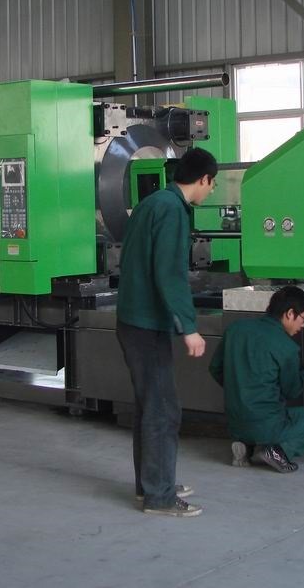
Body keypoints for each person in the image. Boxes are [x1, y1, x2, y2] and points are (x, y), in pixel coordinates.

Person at [115, 147, 218, 517]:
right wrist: (188, 327)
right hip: (147, 324)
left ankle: (150, 485)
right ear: (203, 179)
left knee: (150, 407)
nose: (211, 191)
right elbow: (169, 273)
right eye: (212, 184)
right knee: (162, 410)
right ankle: (159, 496)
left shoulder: (153, 202)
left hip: (133, 319)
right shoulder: (173, 210)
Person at [208, 286, 304, 473]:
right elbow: (291, 390)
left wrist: (240, 386)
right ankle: (279, 451)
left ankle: (245, 445)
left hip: (234, 423)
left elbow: (215, 368)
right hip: (268, 424)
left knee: (256, 422)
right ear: (290, 314)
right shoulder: (286, 347)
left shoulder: (235, 330)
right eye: (303, 318)